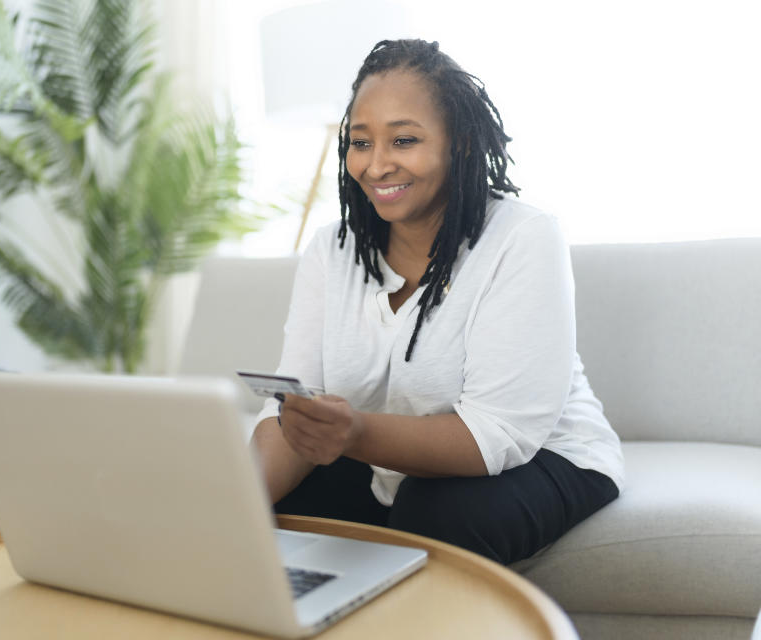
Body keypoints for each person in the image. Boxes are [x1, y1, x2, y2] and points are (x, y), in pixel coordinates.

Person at [251, 39, 624, 565]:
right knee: (282, 510)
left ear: (462, 144)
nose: (376, 166)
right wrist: (230, 507)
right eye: (361, 143)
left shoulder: (522, 237)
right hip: (390, 458)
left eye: (403, 140)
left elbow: (499, 434)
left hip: (545, 456)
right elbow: (293, 408)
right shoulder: (331, 250)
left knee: (437, 516)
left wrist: (354, 431)